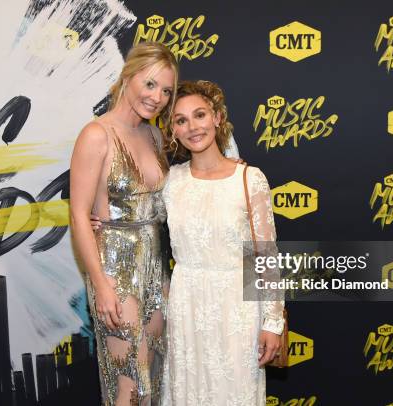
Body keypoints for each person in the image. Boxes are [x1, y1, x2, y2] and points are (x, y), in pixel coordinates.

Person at [160, 80, 284, 405]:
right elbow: (137, 220)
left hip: (237, 310)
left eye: (199, 115)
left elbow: (266, 256)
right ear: (173, 130)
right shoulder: (171, 182)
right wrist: (101, 219)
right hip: (186, 306)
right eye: (181, 120)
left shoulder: (249, 179)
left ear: (216, 117)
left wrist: (273, 322)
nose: (192, 127)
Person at [69, 41, 178, 406]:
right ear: (128, 76)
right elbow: (79, 216)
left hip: (154, 266)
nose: (157, 97)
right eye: (150, 84)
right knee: (128, 382)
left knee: (155, 371)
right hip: (115, 267)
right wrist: (101, 284)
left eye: (166, 90)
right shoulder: (96, 134)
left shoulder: (154, 135)